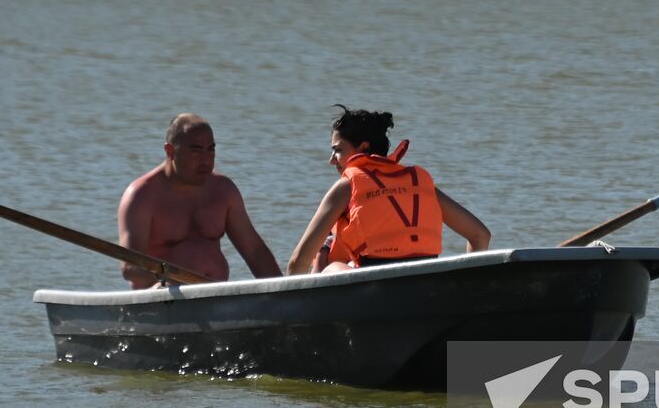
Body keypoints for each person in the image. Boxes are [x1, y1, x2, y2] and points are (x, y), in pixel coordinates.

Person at [286, 108, 491, 274]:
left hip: (373, 287)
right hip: (427, 281)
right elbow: (480, 235)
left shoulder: (347, 186)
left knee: (329, 266)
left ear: (363, 147)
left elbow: (298, 261)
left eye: (338, 150)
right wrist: (471, 282)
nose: (331, 160)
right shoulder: (418, 180)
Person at [118, 114, 282, 286]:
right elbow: (130, 268)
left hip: (213, 297)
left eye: (211, 150)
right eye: (195, 151)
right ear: (170, 151)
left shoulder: (223, 191)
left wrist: (283, 292)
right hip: (163, 300)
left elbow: (254, 251)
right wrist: (170, 279)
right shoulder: (142, 196)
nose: (206, 160)